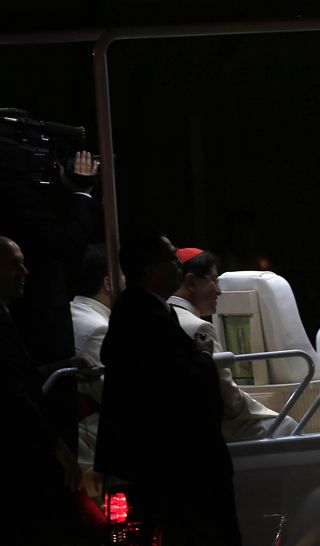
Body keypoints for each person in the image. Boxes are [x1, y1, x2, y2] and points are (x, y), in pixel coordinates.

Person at [94, 231, 241, 545]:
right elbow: (177, 382)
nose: (178, 267)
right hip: (175, 462)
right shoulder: (145, 316)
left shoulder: (140, 309)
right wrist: (203, 355)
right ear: (149, 269)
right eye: (172, 260)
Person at [0, 236, 104, 545]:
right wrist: (56, 445)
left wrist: (64, 364)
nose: (25, 272)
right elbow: (13, 392)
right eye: (14, 265)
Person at [168, 247, 297, 439]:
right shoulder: (198, 327)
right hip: (209, 425)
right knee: (286, 426)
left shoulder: (160, 318)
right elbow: (229, 399)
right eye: (213, 280)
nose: (219, 291)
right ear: (191, 282)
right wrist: (266, 410)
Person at [70, 243, 113, 499]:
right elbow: (113, 393)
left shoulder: (74, 310)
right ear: (109, 283)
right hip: (92, 438)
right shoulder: (98, 327)